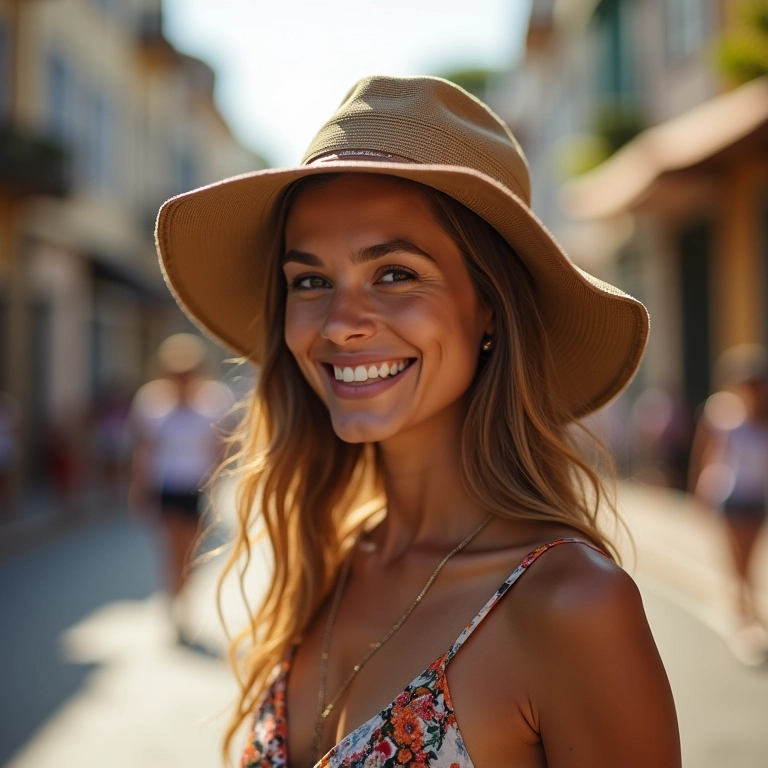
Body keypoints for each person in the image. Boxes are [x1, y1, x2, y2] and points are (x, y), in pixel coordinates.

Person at [156, 76, 680, 766]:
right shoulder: (321, 565)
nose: (341, 324)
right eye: (309, 281)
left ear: (489, 307)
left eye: (395, 273)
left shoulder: (572, 606)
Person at [128, 333, 233, 636]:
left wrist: (216, 488)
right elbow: (145, 450)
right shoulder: (151, 402)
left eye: (188, 373)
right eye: (176, 373)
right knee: (172, 549)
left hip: (198, 488)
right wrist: (139, 488)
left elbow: (220, 450)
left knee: (192, 553)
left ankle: (183, 597)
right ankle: (175, 605)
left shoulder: (214, 401)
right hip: (167, 485)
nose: (182, 379)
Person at [689, 344, 768, 665]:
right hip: (732, 497)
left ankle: (748, 614)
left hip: (756, 497)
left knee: (750, 562)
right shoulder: (722, 414)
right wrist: (700, 491)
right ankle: (744, 617)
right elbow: (706, 453)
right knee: (738, 564)